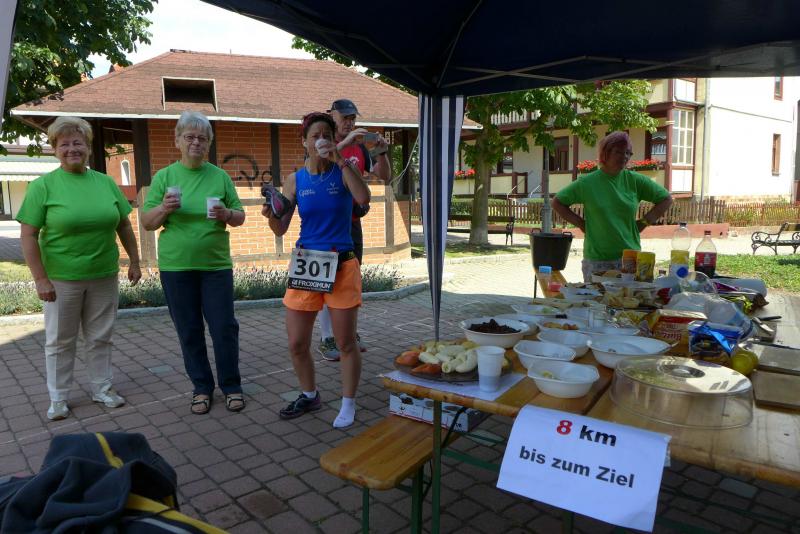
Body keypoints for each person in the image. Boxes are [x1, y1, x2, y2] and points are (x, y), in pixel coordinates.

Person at [16, 116, 141, 421]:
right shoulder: (43, 186)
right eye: (64, 144)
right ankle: (58, 398)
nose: (72, 148)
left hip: (103, 275)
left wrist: (135, 261)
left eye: (78, 143)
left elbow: (124, 225)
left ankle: (102, 388)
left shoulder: (105, 183)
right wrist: (40, 279)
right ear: (55, 149)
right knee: (60, 340)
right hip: (61, 279)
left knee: (100, 336)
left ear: (88, 147)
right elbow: (28, 235)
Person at [263, 111, 371, 428]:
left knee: (345, 342)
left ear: (334, 140)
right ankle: (310, 395)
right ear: (305, 143)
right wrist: (271, 214)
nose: (321, 140)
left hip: (341, 262)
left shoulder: (343, 170)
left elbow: (363, 197)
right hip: (307, 263)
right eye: (315, 136)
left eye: (327, 135)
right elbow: (280, 228)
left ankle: (348, 403)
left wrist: (340, 160)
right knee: (297, 343)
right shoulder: (295, 179)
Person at [142, 111, 247, 415]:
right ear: (178, 141)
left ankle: (231, 386)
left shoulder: (219, 176)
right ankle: (202, 387)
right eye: (189, 137)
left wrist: (227, 214)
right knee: (189, 330)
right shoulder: (165, 178)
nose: (196, 143)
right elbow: (147, 222)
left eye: (202, 138)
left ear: (209, 143)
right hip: (176, 267)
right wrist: (164, 208)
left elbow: (240, 216)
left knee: (223, 327)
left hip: (215, 266)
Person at [316, 98, 391, 361]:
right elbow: (319, 161)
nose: (349, 122)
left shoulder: (359, 148)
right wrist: (347, 142)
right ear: (332, 117)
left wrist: (382, 152)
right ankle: (327, 338)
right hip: (327, 226)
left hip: (352, 224)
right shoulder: (322, 141)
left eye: (352, 118)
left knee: (350, 282)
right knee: (327, 281)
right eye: (345, 118)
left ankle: (348, 334)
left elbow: (385, 176)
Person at [551, 131, 673, 282]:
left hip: (629, 258)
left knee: (629, 297)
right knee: (597, 298)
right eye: (619, 152)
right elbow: (557, 202)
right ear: (606, 153)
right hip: (597, 260)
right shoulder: (587, 183)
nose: (625, 157)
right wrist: (581, 224)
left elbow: (666, 199)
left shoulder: (635, 181)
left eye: (628, 153)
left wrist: (644, 222)